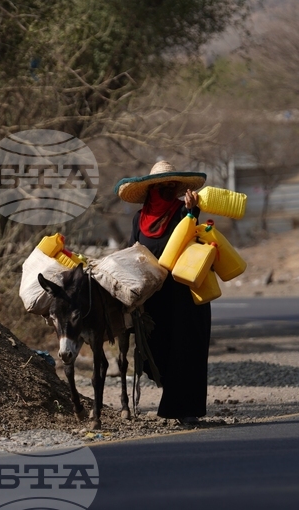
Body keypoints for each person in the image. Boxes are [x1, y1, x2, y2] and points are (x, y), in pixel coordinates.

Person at [115, 161, 210, 424]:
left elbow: (192, 240)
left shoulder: (184, 212)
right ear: (151, 189)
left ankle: (184, 410)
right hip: (153, 297)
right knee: (156, 349)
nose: (167, 189)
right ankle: (175, 402)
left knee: (185, 348)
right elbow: (133, 252)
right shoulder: (139, 219)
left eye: (172, 185)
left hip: (184, 294)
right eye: (161, 185)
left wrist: (192, 213)